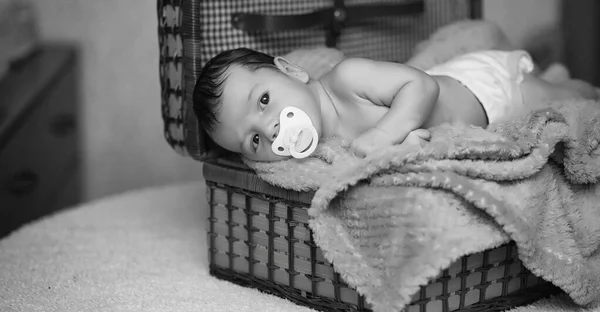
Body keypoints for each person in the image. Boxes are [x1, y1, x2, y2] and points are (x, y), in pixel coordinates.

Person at [193, 47, 597, 161]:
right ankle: (553, 73)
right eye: (253, 142)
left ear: (292, 71)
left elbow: (421, 86)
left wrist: (384, 134)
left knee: (568, 98)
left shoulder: (346, 79)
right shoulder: (323, 155)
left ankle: (565, 81)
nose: (272, 130)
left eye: (264, 101)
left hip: (483, 90)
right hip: (472, 114)